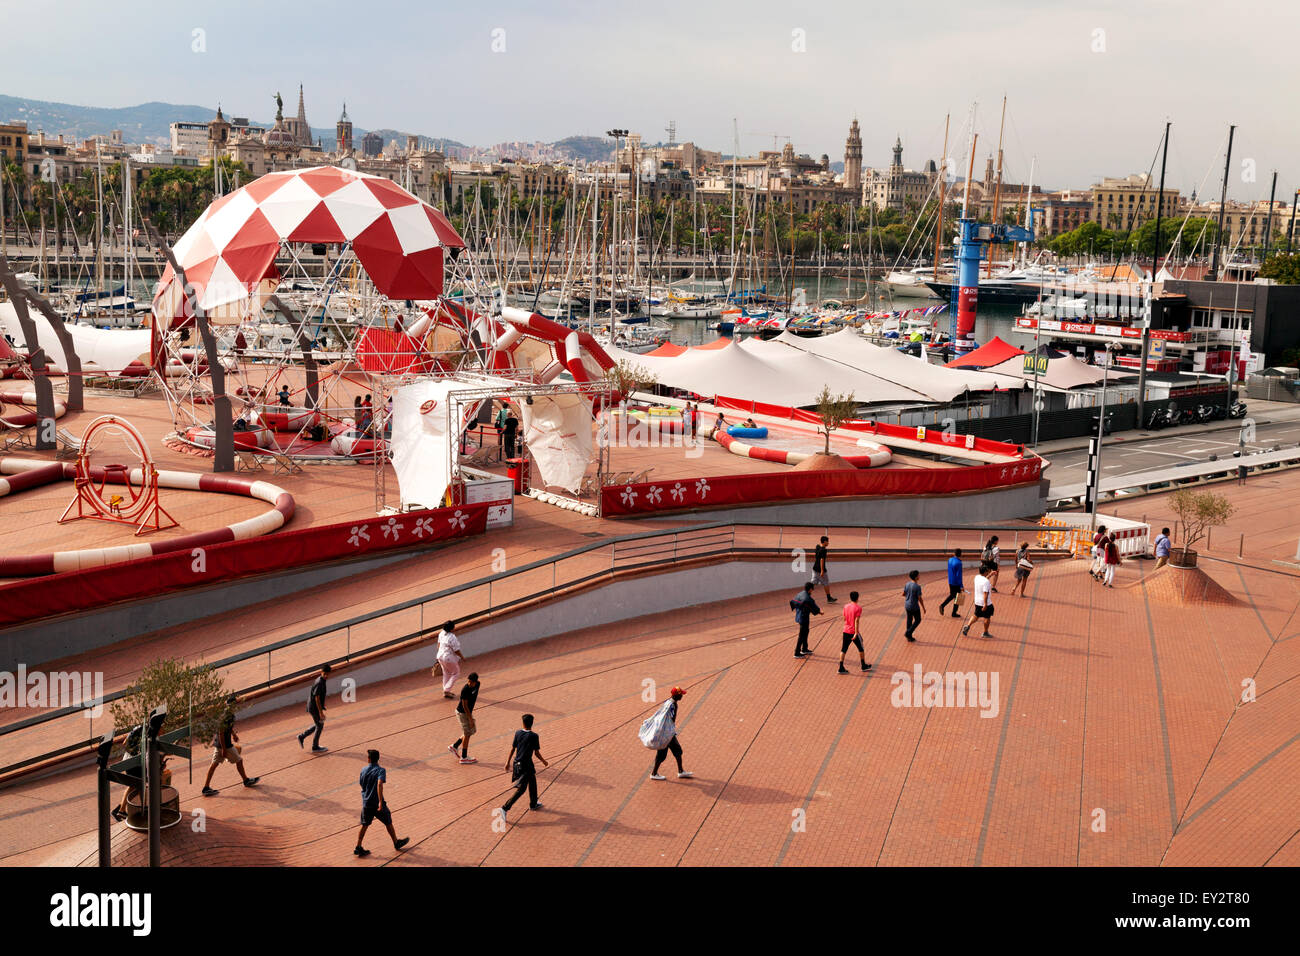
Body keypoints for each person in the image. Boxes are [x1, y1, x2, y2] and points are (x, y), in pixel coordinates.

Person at [354, 750, 410, 857]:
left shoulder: (363, 770)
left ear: (368, 759)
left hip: (366, 802)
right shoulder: (381, 770)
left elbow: (362, 783)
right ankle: (396, 842)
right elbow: (379, 784)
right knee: (388, 821)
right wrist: (380, 801)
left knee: (364, 825)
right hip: (376, 803)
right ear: (378, 759)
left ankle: (358, 846)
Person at [202, 699, 259, 796]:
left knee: (214, 765)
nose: (233, 707)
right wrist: (224, 749)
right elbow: (221, 732)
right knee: (239, 760)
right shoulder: (226, 716)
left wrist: (233, 734)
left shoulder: (229, 715)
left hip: (218, 744)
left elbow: (229, 727)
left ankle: (205, 788)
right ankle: (246, 780)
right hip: (225, 745)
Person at [501, 713, 548, 819]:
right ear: (532, 723)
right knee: (522, 789)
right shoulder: (534, 736)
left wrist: (507, 762)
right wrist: (544, 761)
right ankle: (504, 808)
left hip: (517, 763)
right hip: (526, 765)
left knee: (533, 781)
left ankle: (533, 803)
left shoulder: (518, 733)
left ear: (523, 723)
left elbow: (513, 748)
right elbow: (536, 753)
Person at [649, 687, 694, 780]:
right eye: (681, 694)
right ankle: (654, 773)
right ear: (676, 695)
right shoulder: (673, 705)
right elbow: (671, 719)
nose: (682, 696)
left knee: (674, 751)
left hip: (666, 733)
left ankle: (680, 771)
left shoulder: (668, 702)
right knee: (668, 753)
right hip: (667, 734)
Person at [297, 664, 330, 752]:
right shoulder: (319, 682)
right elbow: (317, 698)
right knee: (320, 725)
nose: (326, 676)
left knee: (318, 724)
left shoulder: (322, 680)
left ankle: (302, 736)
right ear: (321, 672)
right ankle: (315, 747)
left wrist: (322, 706)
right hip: (314, 708)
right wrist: (320, 712)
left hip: (314, 707)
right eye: (325, 674)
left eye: (327, 674)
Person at [447, 671, 479, 764]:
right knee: (468, 733)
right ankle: (464, 757)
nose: (469, 683)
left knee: (472, 730)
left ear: (475, 682)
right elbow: (464, 706)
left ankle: (455, 746)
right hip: (462, 713)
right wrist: (470, 719)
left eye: (471, 682)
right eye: (468, 681)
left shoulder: (478, 685)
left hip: (468, 712)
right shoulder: (465, 689)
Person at [838, 590, 870, 674]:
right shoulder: (858, 608)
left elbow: (844, 618)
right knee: (861, 648)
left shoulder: (845, 606)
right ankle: (863, 665)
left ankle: (841, 667)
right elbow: (857, 621)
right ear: (857, 598)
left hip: (846, 630)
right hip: (853, 632)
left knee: (844, 649)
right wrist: (856, 632)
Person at [961, 561, 995, 638]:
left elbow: (984, 580)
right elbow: (985, 593)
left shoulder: (977, 577)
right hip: (986, 603)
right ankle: (985, 632)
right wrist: (985, 604)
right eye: (988, 571)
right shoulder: (986, 582)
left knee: (976, 615)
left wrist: (990, 575)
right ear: (985, 571)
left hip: (977, 601)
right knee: (987, 618)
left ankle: (968, 626)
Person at [791, 581, 822, 658]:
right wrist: (819, 612)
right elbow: (813, 607)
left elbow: (793, 602)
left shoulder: (801, 593)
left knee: (806, 632)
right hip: (803, 618)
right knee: (802, 635)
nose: (812, 591)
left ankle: (804, 649)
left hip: (800, 615)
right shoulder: (807, 598)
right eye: (812, 589)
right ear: (810, 589)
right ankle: (797, 652)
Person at [434, 621, 464, 699]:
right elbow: (456, 650)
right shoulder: (452, 637)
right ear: (452, 628)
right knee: (456, 673)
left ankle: (446, 691)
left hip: (440, 656)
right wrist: (462, 657)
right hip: (448, 657)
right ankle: (446, 690)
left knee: (446, 673)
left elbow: (438, 645)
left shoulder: (441, 633)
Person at [938, 548, 964, 618]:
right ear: (960, 554)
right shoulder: (959, 563)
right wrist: (961, 585)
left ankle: (943, 606)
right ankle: (953, 612)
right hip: (956, 583)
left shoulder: (950, 560)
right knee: (958, 598)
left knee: (953, 595)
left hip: (951, 581)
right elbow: (959, 575)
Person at [811, 535, 836, 603]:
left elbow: (817, 557)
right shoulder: (824, 550)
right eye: (827, 542)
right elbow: (822, 560)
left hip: (814, 568)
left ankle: (805, 595)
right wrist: (822, 570)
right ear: (824, 542)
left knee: (813, 583)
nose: (828, 543)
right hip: (820, 570)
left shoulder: (817, 547)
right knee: (826, 583)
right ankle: (829, 598)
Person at [902, 569, 925, 641]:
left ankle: (909, 637)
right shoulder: (917, 587)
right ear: (916, 577)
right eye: (918, 575)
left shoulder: (907, 584)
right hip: (914, 606)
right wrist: (923, 608)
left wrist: (909, 596)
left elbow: (903, 594)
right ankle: (908, 633)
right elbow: (919, 598)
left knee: (909, 619)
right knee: (918, 620)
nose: (919, 576)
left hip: (907, 605)